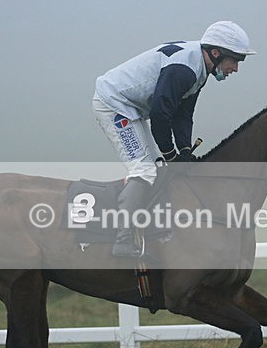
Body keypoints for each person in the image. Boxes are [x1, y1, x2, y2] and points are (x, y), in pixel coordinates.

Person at [93, 21, 256, 256]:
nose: (236, 69)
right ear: (217, 53)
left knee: (158, 167)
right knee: (145, 170)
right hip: (114, 104)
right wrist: (171, 155)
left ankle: (147, 227)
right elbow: (161, 114)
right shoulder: (184, 70)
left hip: (133, 107)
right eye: (235, 60)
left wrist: (185, 150)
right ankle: (123, 240)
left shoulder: (200, 68)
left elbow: (183, 115)